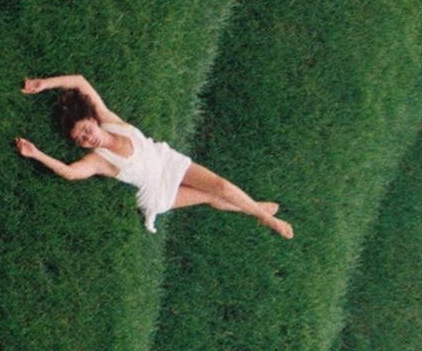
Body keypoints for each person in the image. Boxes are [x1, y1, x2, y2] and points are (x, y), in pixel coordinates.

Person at [15, 74, 293, 238]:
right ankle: (257, 211)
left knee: (219, 186)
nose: (88, 138)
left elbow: (79, 81)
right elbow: (70, 172)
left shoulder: (109, 119)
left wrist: (45, 84)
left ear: (92, 119)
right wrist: (36, 153)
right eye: (81, 140)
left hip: (167, 162)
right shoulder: (99, 160)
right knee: (210, 196)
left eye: (86, 130)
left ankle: (260, 214)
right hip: (156, 192)